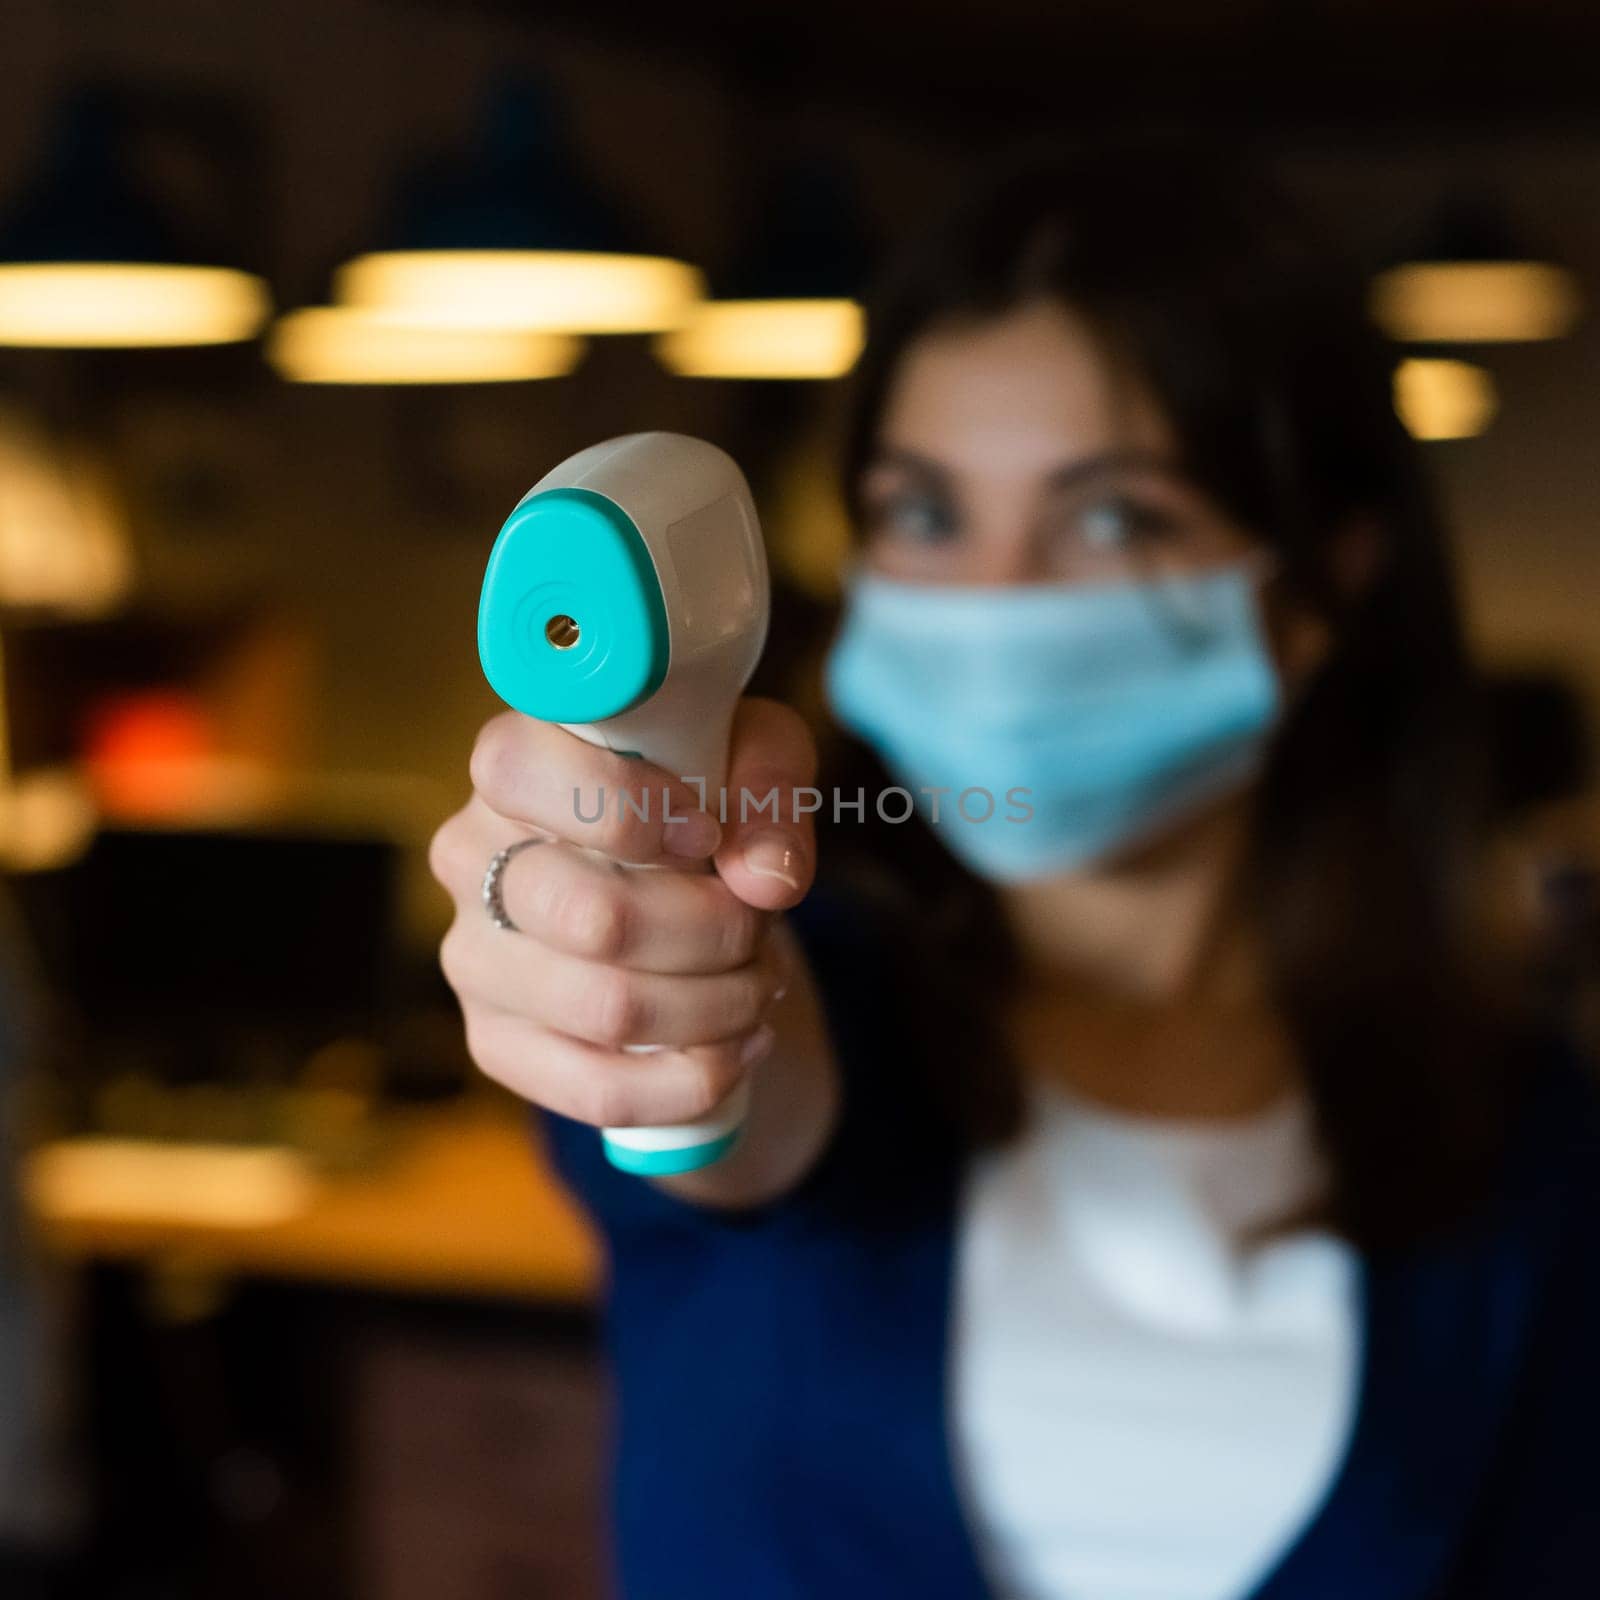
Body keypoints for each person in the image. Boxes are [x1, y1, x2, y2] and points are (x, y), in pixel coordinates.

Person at [428, 144, 1600, 1600]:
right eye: (925, 514)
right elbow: (740, 1089)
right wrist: (632, 958)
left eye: (1110, 517)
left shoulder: (1538, 1157)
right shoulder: (816, 985)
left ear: (1318, 588)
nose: (990, 604)